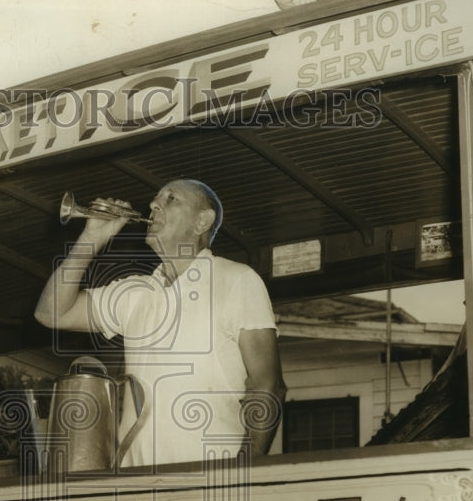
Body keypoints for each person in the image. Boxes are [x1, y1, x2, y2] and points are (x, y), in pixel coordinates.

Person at [34, 179, 285, 467]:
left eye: (171, 199)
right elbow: (51, 313)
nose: (154, 205)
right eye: (155, 199)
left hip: (211, 476)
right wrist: (91, 239)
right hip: (133, 483)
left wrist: (245, 472)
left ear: (202, 221)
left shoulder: (237, 279)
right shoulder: (135, 291)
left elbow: (268, 384)